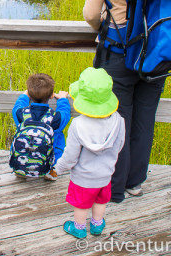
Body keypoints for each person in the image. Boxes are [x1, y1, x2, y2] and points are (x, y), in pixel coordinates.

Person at [84, 0, 167, 204]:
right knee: (145, 120)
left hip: (119, 54)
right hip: (157, 52)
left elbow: (91, 14)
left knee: (116, 123)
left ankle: (114, 189)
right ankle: (135, 183)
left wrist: (106, 23)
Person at [54, 67, 125, 239]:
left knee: (81, 204)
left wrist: (58, 168)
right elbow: (119, 145)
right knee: (100, 200)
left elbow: (70, 157)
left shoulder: (78, 125)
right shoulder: (119, 121)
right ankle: (97, 224)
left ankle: (78, 227)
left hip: (83, 178)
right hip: (105, 175)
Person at [10, 73, 71, 180]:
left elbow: (16, 107)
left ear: (29, 93)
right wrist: (62, 99)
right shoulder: (54, 118)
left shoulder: (21, 114)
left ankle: (20, 169)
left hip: (21, 159)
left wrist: (24, 96)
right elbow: (65, 114)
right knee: (58, 135)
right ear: (52, 95)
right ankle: (51, 170)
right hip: (47, 159)